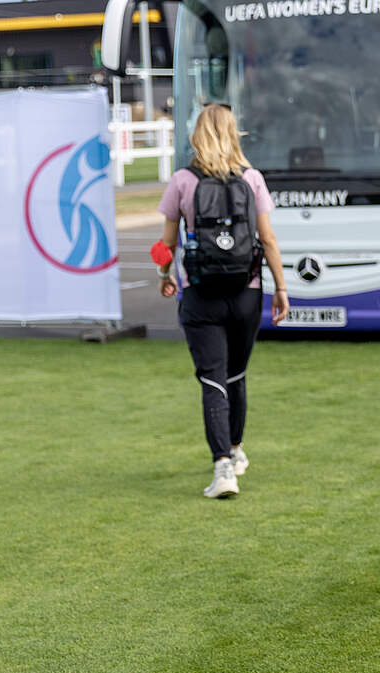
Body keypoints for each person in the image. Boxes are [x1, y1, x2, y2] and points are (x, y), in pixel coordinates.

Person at [155, 104, 289, 498]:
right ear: (234, 133)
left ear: (196, 134)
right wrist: (281, 288)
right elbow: (268, 239)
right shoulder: (252, 179)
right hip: (247, 292)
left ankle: (223, 468)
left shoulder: (182, 181)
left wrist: (164, 276)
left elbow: (166, 244)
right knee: (235, 375)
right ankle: (235, 449)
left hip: (200, 294)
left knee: (213, 378)